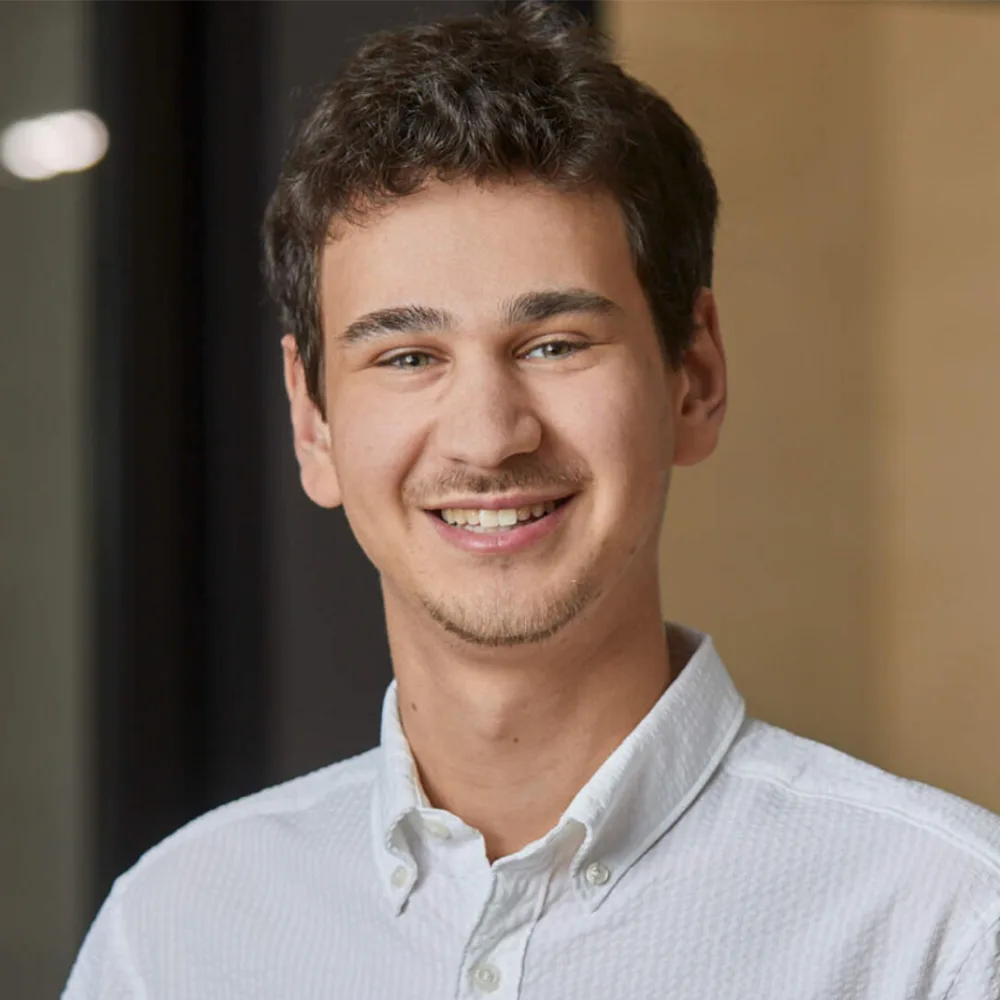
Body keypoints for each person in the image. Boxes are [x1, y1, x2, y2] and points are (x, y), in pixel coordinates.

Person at [64, 4, 1000, 998]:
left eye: (553, 343)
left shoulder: (943, 930)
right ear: (312, 422)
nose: (488, 434)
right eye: (408, 355)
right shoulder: (172, 937)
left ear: (695, 377)